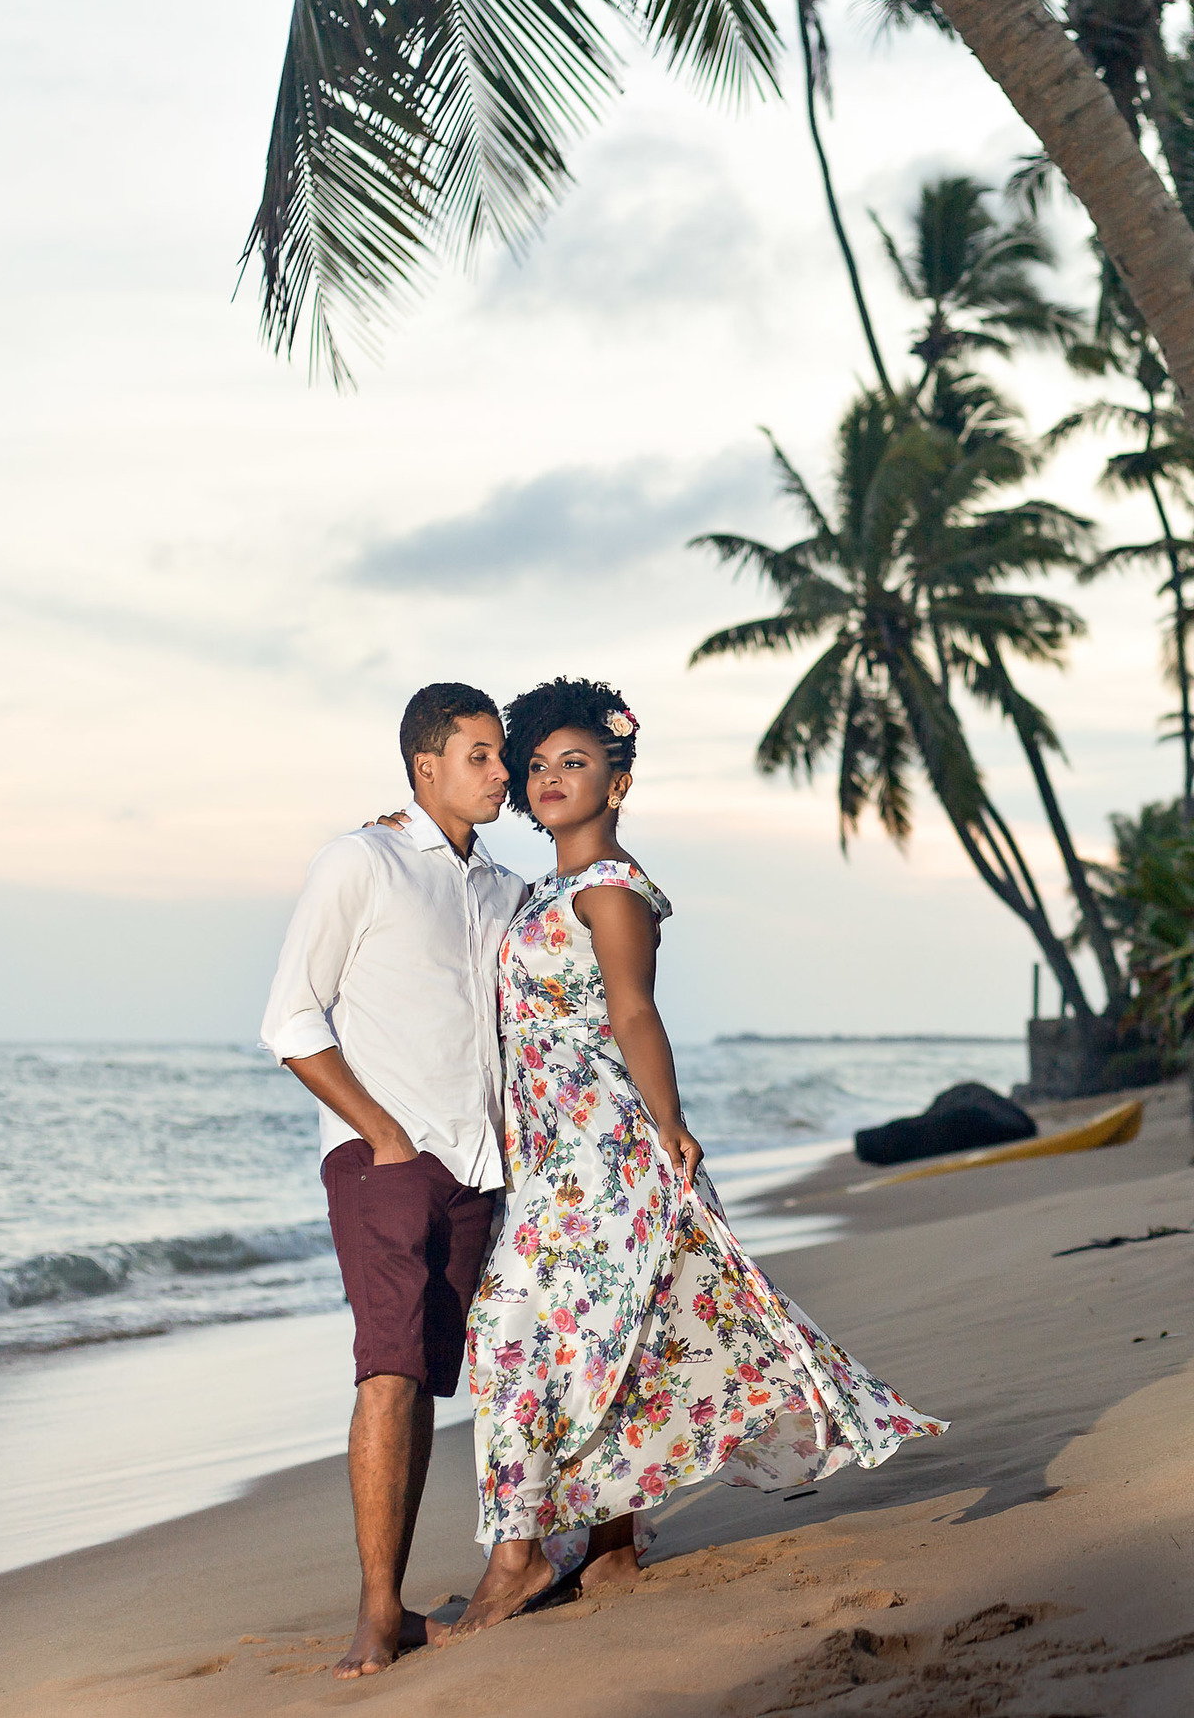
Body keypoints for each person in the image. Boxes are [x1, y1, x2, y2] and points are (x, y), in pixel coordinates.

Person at [447, 677, 948, 1637]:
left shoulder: (612, 890)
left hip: (608, 1156)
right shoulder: (547, 889)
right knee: (604, 1338)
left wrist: (670, 1124)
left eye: (578, 762)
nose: (553, 778)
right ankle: (611, 1549)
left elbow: (635, 1011)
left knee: (510, 1326)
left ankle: (514, 1558)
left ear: (619, 781)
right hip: (556, 1163)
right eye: (540, 765)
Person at [260, 683, 525, 1680]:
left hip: (479, 1168)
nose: (501, 771)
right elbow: (292, 1017)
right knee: (387, 1369)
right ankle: (375, 1613)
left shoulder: (502, 887)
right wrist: (378, 1131)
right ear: (426, 766)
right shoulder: (359, 860)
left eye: (502, 755)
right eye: (482, 754)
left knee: (423, 1378)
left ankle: (404, 1599)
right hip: (384, 1162)